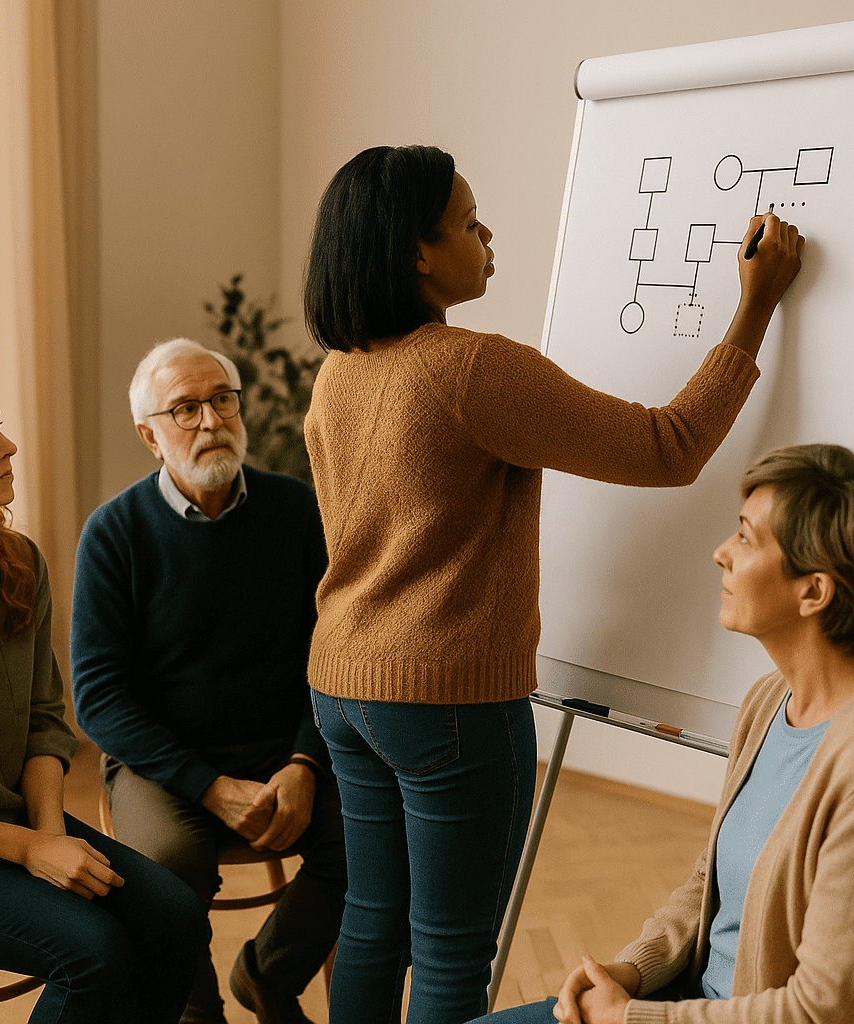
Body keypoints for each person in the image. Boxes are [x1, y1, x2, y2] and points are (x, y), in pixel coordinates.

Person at [301, 144, 805, 1024]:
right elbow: (666, 448)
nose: (487, 233)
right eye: (466, 220)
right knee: (453, 948)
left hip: (342, 682)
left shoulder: (340, 371)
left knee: (373, 922)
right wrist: (755, 309)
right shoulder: (469, 368)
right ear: (418, 253)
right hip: (445, 696)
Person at [464, 443, 854, 1024]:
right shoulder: (770, 698)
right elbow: (710, 883)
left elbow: (823, 1012)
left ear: (814, 590)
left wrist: (628, 1018)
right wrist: (632, 970)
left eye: (745, 537)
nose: (721, 554)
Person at [0, 361, 205, 1024]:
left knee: (176, 919)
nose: (7, 446)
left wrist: (47, 830)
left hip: (13, 819)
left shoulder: (18, 564)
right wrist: (31, 850)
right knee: (92, 952)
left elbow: (45, 719)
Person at [70, 338, 346, 1024]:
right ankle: (198, 1016)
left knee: (376, 837)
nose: (210, 421)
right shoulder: (114, 533)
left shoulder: (298, 511)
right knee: (167, 870)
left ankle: (269, 976)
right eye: (184, 409)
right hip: (163, 762)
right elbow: (99, 697)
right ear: (149, 436)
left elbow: (334, 655)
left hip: (285, 746)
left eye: (221, 399)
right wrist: (208, 787)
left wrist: (306, 762)